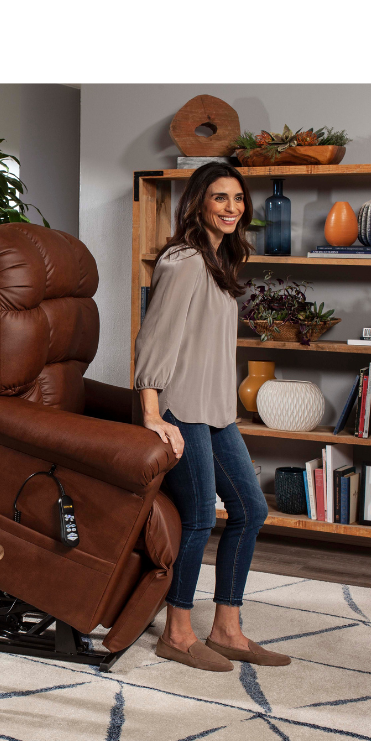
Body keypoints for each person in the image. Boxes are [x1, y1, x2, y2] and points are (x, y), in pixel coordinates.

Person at [133, 162, 290, 672]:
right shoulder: (182, 261)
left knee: (251, 510)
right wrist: (154, 415)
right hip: (181, 408)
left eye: (238, 199)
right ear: (199, 202)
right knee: (200, 516)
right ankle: (177, 633)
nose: (231, 208)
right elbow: (154, 339)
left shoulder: (222, 259)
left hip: (217, 409)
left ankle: (227, 628)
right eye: (220, 198)